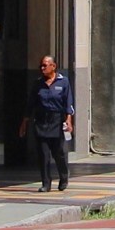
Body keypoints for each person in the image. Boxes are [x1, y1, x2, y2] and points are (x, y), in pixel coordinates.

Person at [19, 55, 74, 192]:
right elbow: (30, 104)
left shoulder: (63, 82)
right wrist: (25, 122)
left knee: (58, 153)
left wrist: (68, 120)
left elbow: (68, 103)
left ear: (53, 66)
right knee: (43, 154)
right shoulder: (37, 84)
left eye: (45, 65)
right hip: (41, 121)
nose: (42, 68)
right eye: (41, 66)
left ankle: (64, 176)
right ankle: (46, 183)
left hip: (56, 120)